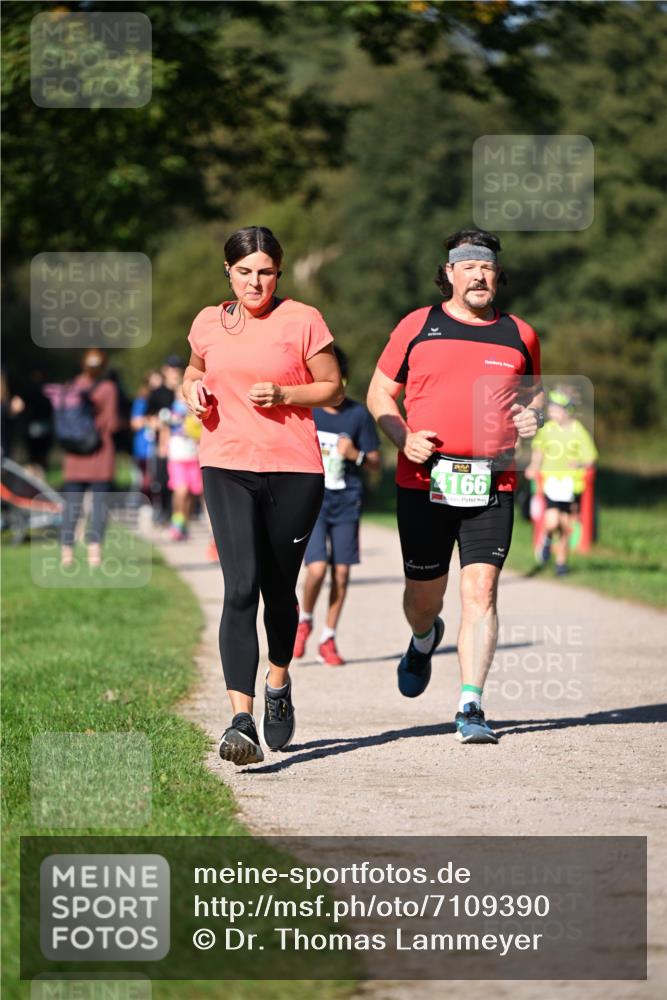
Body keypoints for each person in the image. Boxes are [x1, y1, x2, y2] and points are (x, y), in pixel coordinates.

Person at [367, 228, 543, 745]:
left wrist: (532, 418)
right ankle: (423, 639)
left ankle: (470, 703)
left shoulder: (521, 334)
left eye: (486, 267)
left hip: (493, 479)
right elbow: (380, 392)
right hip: (425, 480)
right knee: (425, 598)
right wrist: (402, 435)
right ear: (448, 274)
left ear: (497, 275)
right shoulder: (418, 326)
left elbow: (531, 399)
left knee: (482, 592)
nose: (478, 275)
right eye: (468, 267)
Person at [182, 225, 343, 765]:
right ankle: (240, 721)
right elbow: (196, 368)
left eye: (266, 272)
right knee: (240, 587)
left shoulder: (302, 319)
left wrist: (285, 393)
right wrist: (191, 388)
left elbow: (333, 387)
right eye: (245, 271)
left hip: (294, 469)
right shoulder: (208, 321)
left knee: (279, 590)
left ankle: (278, 682)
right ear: (228, 271)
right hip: (226, 463)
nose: (256, 282)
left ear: (279, 271)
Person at [293, 346, 381, 666]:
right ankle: (304, 619)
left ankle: (328, 638)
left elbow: (374, 463)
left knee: (341, 574)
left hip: (346, 500)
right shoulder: (308, 411)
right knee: (317, 569)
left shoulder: (358, 415)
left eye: (341, 379)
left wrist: (354, 454)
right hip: (314, 499)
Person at [57, 349, 120, 569]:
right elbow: (111, 423)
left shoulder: (70, 387)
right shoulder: (108, 388)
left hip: (74, 455)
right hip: (99, 454)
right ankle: (94, 555)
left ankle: (67, 555)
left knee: (72, 505)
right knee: (99, 505)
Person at [525, 389, 598, 576]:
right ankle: (547, 539)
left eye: (557, 408)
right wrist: (534, 466)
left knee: (566, 524)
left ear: (568, 411)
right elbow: (538, 449)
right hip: (551, 482)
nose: (553, 412)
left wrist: (579, 463)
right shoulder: (548, 429)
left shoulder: (578, 431)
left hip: (572, 485)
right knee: (552, 520)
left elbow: (591, 458)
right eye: (552, 408)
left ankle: (561, 563)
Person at [161, 382, 204, 541]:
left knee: (192, 492)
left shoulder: (197, 408)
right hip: (177, 456)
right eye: (180, 393)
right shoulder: (173, 410)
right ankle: (176, 522)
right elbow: (165, 426)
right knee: (181, 491)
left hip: (193, 456)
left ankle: (183, 524)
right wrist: (163, 444)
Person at [146, 355, 185, 523]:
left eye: (177, 368)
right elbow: (149, 417)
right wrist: (159, 423)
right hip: (162, 443)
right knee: (162, 479)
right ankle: (163, 512)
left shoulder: (185, 391)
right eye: (171, 368)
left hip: (184, 444)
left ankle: (179, 515)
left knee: (180, 483)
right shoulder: (157, 393)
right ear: (165, 370)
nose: (174, 372)